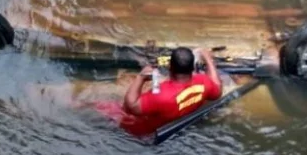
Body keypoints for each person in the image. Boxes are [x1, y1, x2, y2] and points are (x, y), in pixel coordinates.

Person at [93, 47, 222, 137]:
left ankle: (75, 104)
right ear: (192, 69)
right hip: (171, 120)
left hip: (138, 132)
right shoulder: (204, 82)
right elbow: (217, 91)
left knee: (92, 104)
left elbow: (130, 107)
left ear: (170, 67)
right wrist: (209, 59)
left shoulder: (161, 95)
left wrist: (141, 77)